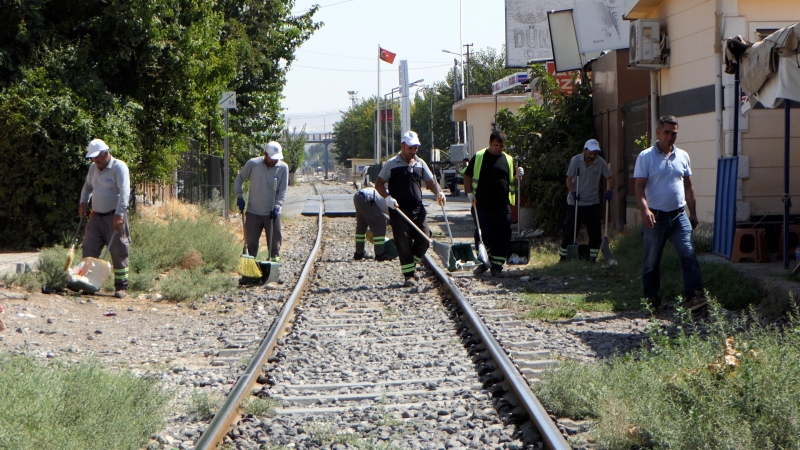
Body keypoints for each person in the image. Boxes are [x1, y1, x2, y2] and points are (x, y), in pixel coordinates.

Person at [634, 115, 707, 311]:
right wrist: (645, 210)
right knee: (651, 259)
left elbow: (689, 186)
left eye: (673, 133)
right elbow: (639, 188)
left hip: (679, 215)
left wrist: (693, 212)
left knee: (688, 253)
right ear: (658, 132)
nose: (670, 137)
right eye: (666, 132)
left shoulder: (682, 156)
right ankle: (651, 299)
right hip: (655, 216)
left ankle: (694, 297)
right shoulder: (645, 157)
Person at [375, 130, 445, 287]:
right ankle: (409, 276)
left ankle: (410, 264)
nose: (413, 151)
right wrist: (387, 198)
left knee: (425, 238)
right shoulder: (391, 164)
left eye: (416, 148)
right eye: (410, 148)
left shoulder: (420, 163)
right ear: (403, 146)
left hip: (417, 210)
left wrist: (439, 193)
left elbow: (431, 182)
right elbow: (379, 184)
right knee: (403, 241)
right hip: (398, 210)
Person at [463, 130, 525, 277]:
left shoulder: (508, 160)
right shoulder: (479, 157)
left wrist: (518, 176)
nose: (498, 148)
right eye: (496, 145)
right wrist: (469, 192)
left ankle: (497, 266)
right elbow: (467, 174)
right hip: (481, 204)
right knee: (483, 234)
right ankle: (483, 262)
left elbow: (513, 181)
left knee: (503, 235)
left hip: (502, 205)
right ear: (490, 143)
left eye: (501, 146)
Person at [79, 138, 131, 298]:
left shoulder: (119, 167)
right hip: (96, 216)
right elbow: (87, 187)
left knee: (118, 250)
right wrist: (83, 202)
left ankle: (121, 287)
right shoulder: (93, 168)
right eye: (93, 158)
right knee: (89, 247)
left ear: (106, 153)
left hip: (113, 216)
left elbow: (125, 192)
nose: (95, 160)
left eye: (98, 157)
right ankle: (87, 282)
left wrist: (119, 214)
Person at [558, 139, 615, 263]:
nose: (593, 156)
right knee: (569, 230)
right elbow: (569, 180)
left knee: (594, 232)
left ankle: (592, 257)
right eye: (590, 153)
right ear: (585, 150)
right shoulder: (575, 160)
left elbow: (610, 177)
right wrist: (573, 192)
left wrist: (609, 191)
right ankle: (563, 257)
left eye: (595, 153)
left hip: (592, 202)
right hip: (576, 202)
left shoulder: (600, 162)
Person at [234, 141, 289, 262]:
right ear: (265, 154)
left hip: (272, 213)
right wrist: (239, 196)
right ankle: (250, 271)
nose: (274, 161)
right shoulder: (253, 164)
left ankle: (273, 271)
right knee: (251, 244)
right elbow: (239, 179)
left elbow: (283, 191)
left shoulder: (283, 168)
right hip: (254, 212)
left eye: (276, 159)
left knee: (275, 246)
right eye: (271, 158)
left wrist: (278, 206)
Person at [353, 182, 395, 261]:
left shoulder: (390, 196)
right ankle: (380, 254)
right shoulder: (397, 205)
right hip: (368, 199)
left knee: (361, 227)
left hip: (359, 196)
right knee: (380, 225)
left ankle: (359, 253)